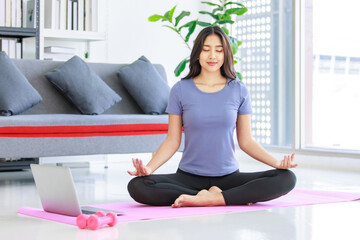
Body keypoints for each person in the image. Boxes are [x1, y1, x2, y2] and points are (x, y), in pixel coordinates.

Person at [127, 26, 297, 208]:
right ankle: (215, 197)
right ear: (197, 53)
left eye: (219, 50)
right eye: (206, 49)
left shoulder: (239, 90)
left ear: (226, 55)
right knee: (138, 185)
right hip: (188, 177)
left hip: (229, 177)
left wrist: (277, 163)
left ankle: (212, 198)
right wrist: (149, 168)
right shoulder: (180, 89)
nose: (212, 56)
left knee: (286, 178)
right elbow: (172, 140)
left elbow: (246, 141)